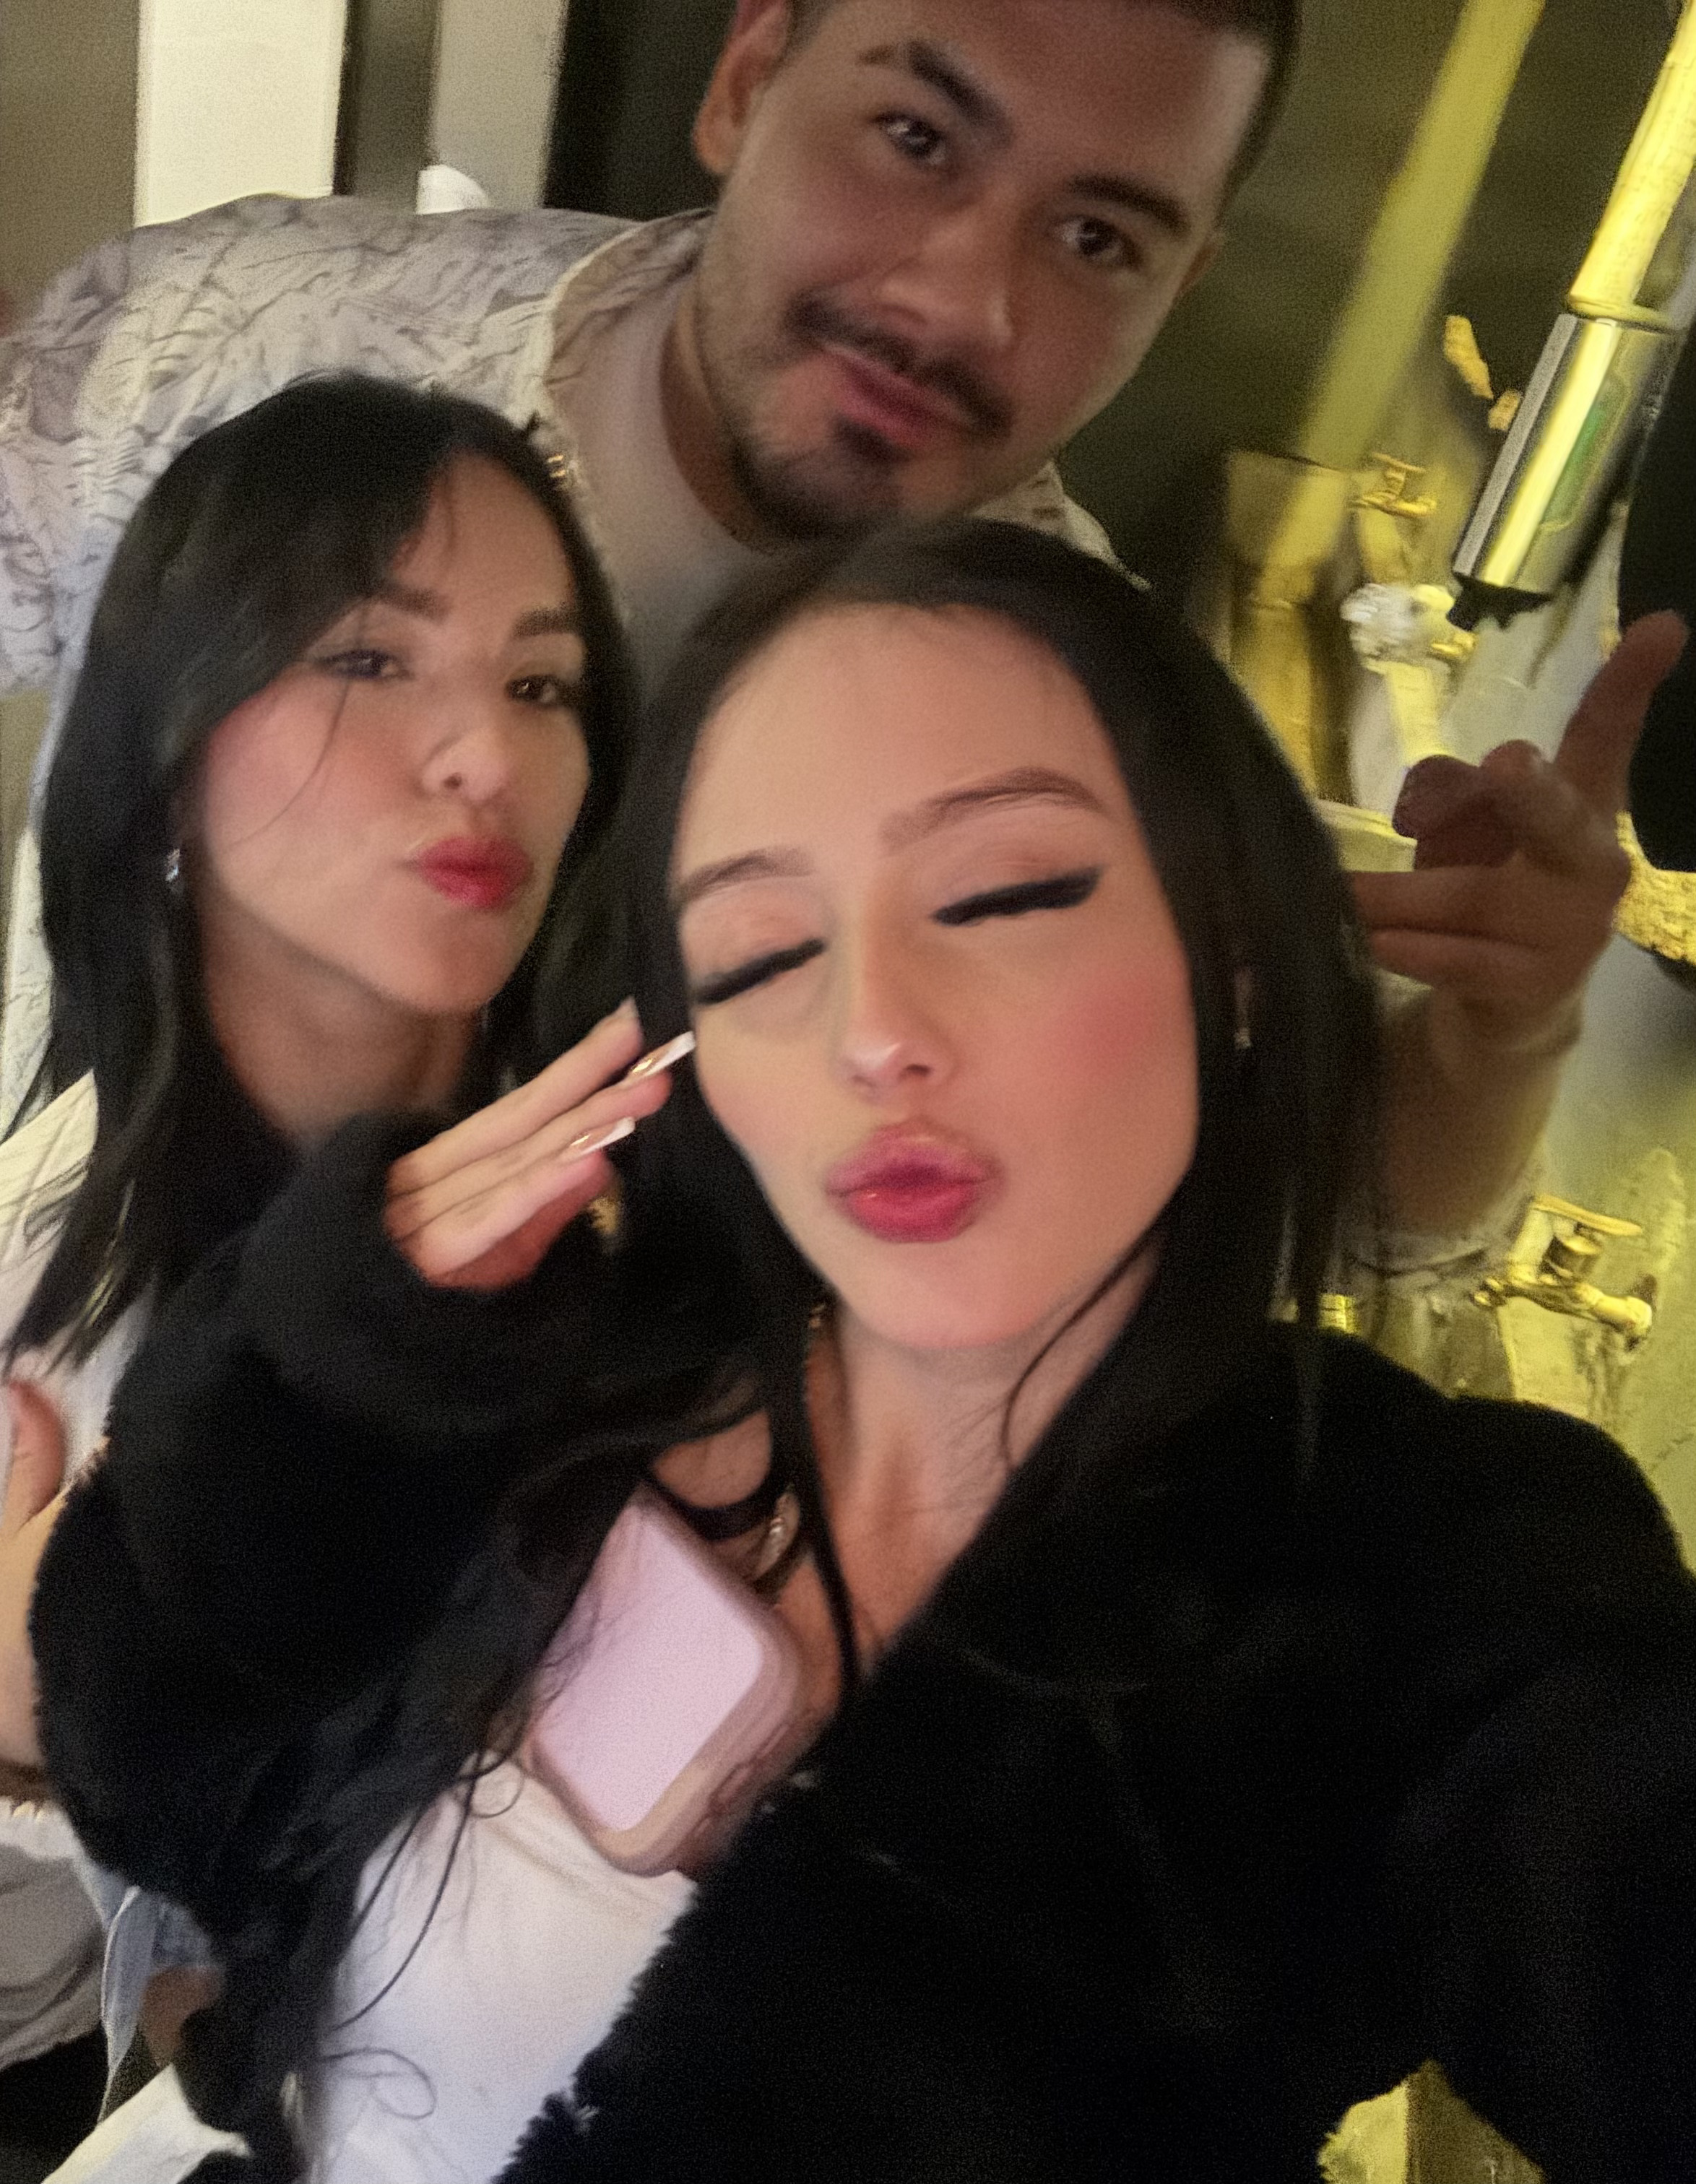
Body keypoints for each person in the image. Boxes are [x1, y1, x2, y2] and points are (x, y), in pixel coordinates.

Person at [24, 523, 1696, 2184]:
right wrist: (314, 1380)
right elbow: (156, 1761)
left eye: (1000, 896)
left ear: (1235, 964)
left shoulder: (1385, 1586)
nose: (871, 1031)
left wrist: (1505, 1039)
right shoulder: (578, 1364)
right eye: (762, 954)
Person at [0, 0, 1679, 1252]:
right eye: (917, 139)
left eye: (1096, 237)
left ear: (1177, 286)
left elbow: (1335, 1196)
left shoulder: (1081, 727)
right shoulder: (240, 342)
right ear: (747, 77)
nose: (961, 300)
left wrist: (1503, 1026)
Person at [0, 370, 660, 2134]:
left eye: (541, 685)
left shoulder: (650, 1182)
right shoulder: (53, 1287)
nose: (485, 758)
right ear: (164, 746)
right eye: (369, 657)